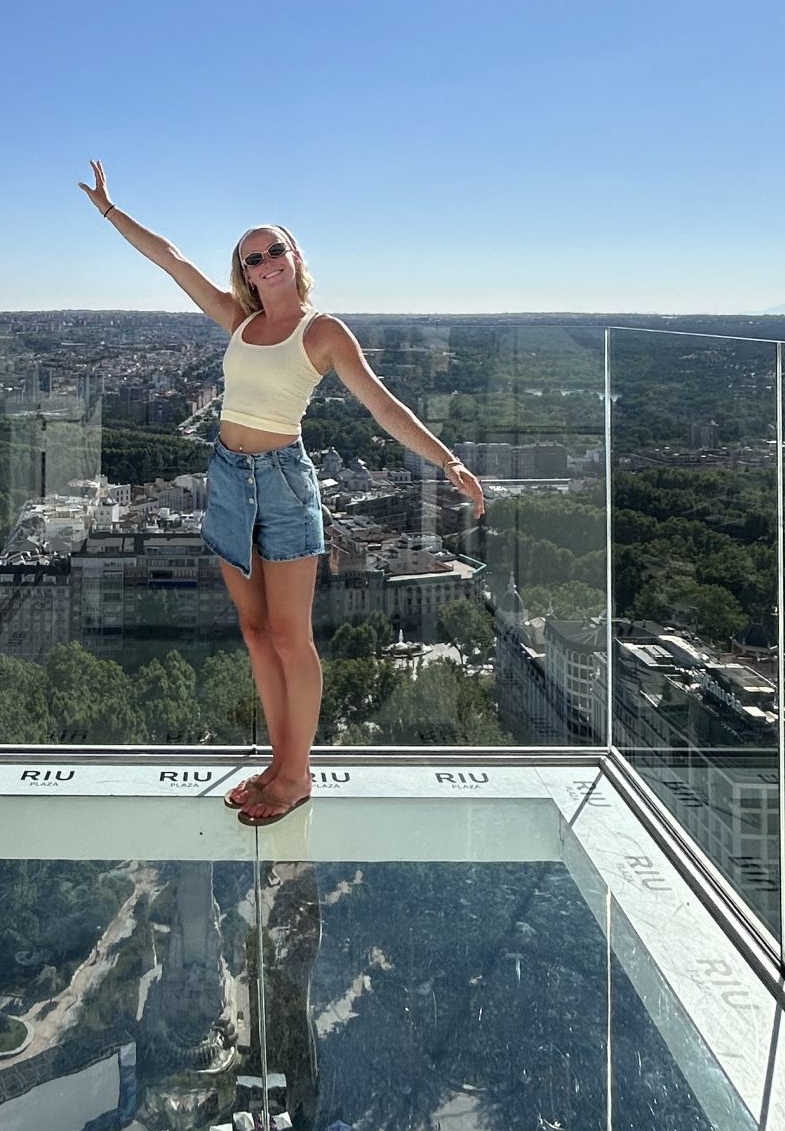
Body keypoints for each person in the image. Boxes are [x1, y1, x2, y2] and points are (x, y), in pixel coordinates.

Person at [79, 161, 485, 826]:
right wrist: (109, 211)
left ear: (295, 257)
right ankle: (278, 760)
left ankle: (298, 775)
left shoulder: (321, 332)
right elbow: (172, 260)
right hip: (229, 478)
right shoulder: (236, 319)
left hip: (284, 482)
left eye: (275, 250)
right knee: (255, 629)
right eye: (252, 257)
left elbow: (381, 405)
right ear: (244, 272)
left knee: (293, 638)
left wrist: (446, 460)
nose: (265, 261)